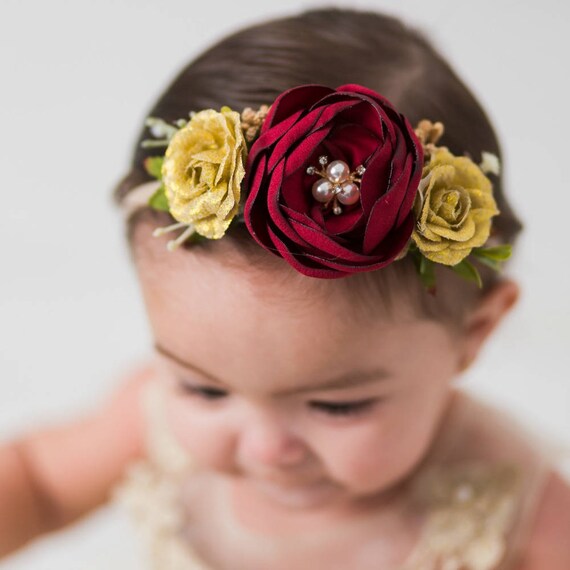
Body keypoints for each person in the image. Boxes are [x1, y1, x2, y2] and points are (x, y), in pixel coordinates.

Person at [1, 7, 569, 569]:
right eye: (204, 391)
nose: (266, 450)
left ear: (476, 330)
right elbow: (37, 486)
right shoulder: (146, 421)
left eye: (336, 406)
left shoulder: (525, 513)